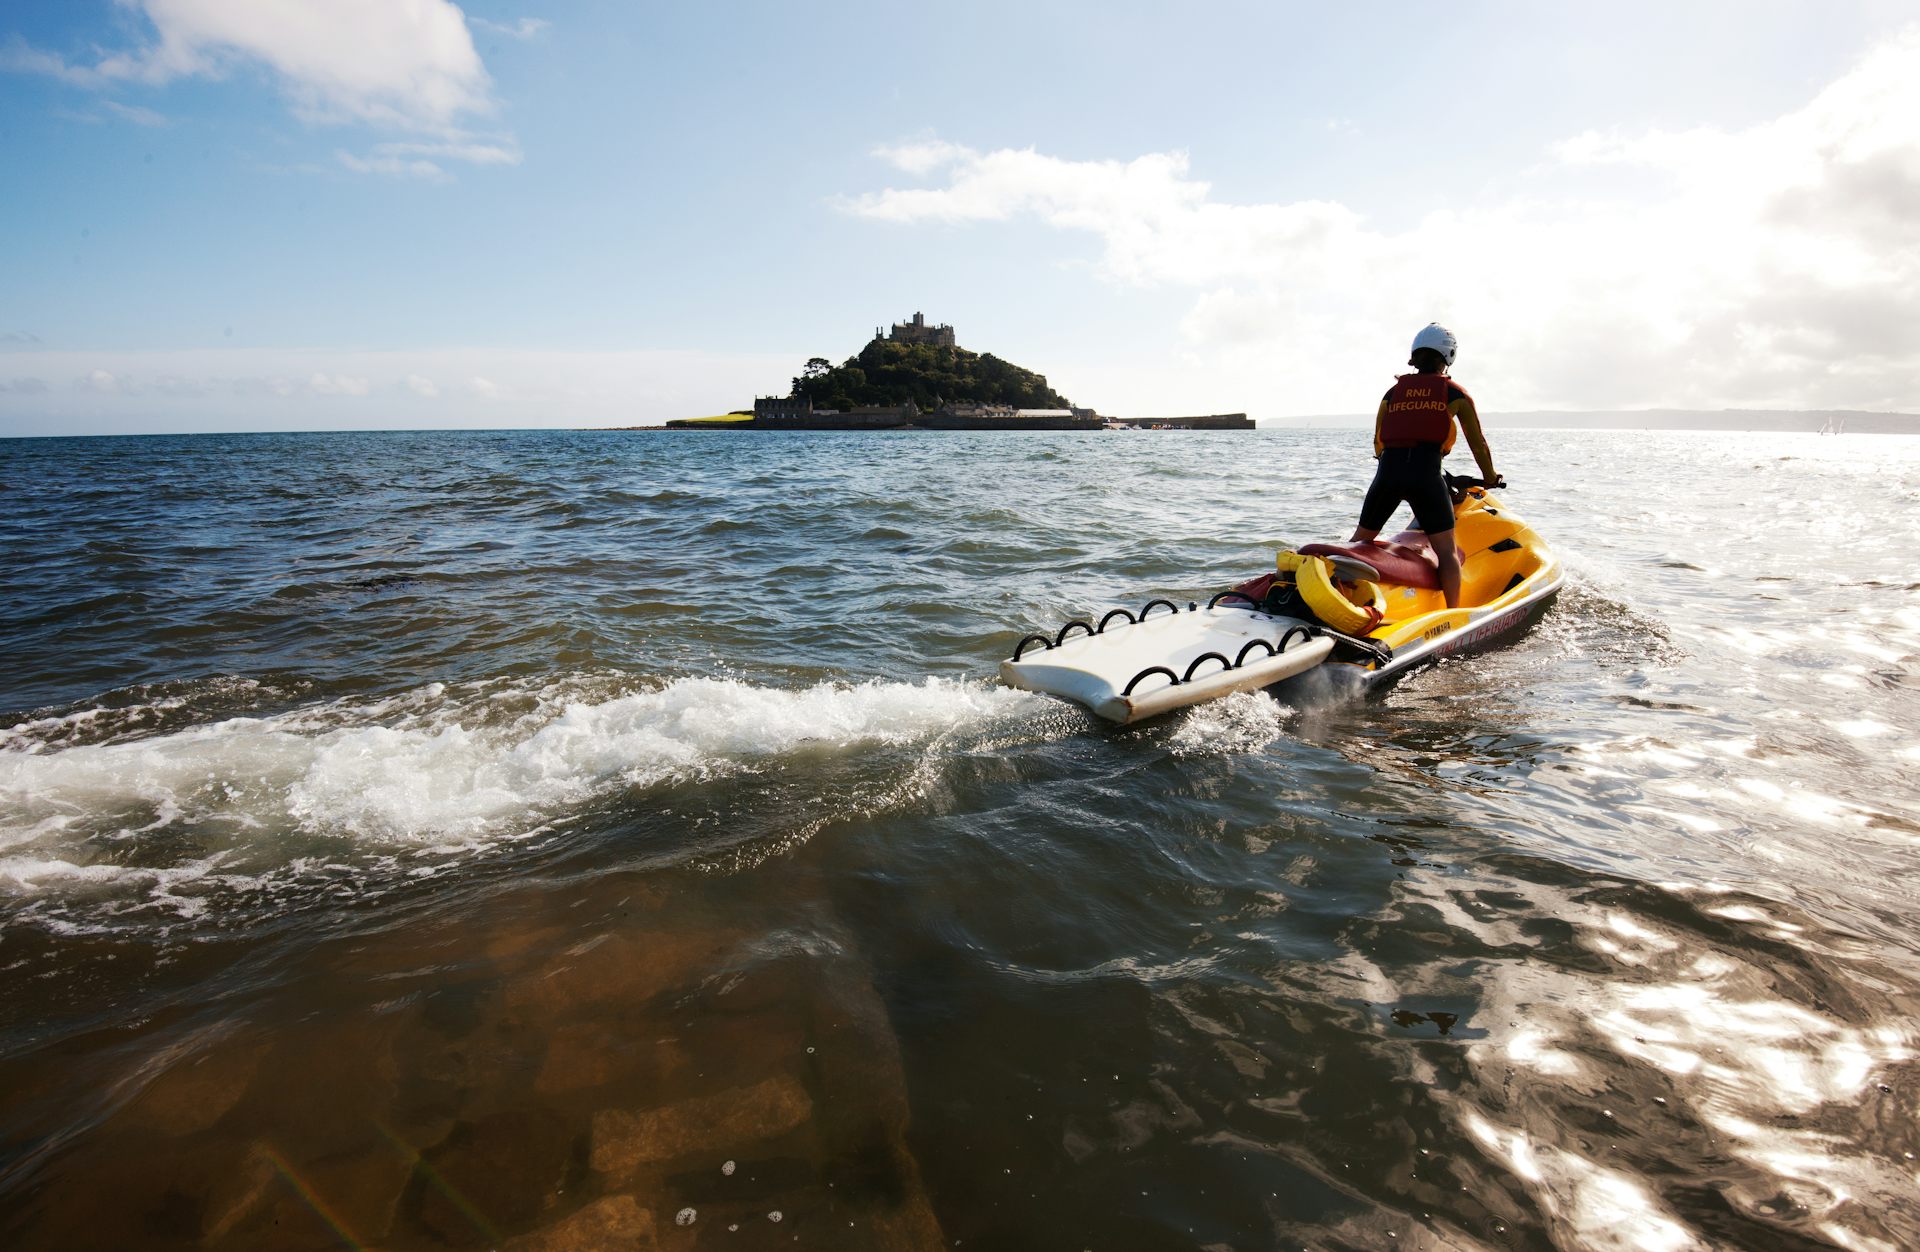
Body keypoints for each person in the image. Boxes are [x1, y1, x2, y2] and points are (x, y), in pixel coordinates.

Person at [1350, 323, 1500, 608]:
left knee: (1359, 542)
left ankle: (1342, 597)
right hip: (1425, 475)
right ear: (1449, 355)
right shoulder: (1455, 394)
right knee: (1446, 552)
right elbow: (1477, 442)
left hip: (1388, 474)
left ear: (1415, 355)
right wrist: (1490, 477)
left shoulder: (1393, 393)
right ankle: (1453, 615)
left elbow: (1378, 440)